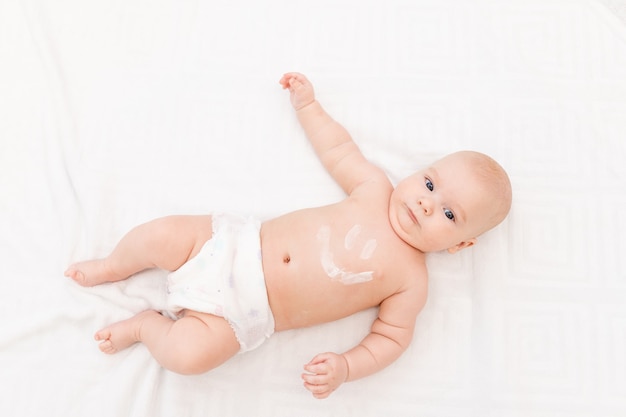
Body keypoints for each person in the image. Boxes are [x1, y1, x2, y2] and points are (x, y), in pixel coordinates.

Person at [65, 72, 512, 399]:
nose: (426, 204)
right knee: (160, 234)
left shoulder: (411, 281)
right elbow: (338, 149)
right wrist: (308, 107)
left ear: (461, 244)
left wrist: (346, 367)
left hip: (245, 314)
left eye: (450, 214)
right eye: (430, 184)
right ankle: (112, 266)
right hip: (230, 246)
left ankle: (146, 327)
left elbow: (391, 339)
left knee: (189, 358)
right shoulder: (376, 189)